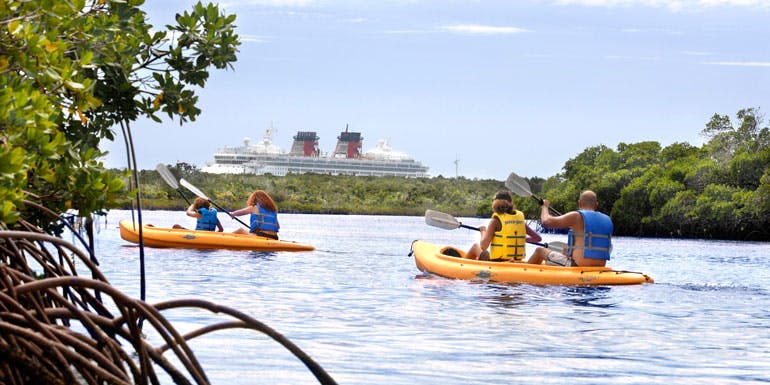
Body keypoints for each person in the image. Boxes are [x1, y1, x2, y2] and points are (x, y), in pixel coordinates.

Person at [528, 190, 613, 267]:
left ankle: (526, 275)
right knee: (565, 249)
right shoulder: (607, 220)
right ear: (596, 205)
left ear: (579, 203)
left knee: (539, 251)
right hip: (600, 266)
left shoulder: (576, 216)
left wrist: (545, 207)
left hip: (577, 266)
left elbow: (546, 221)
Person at [465, 190, 542, 262]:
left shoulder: (495, 220)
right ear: (511, 203)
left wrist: (483, 231)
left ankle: (463, 266)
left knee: (476, 246)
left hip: (498, 262)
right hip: (516, 261)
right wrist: (520, 240)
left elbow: (483, 246)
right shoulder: (520, 220)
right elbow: (537, 238)